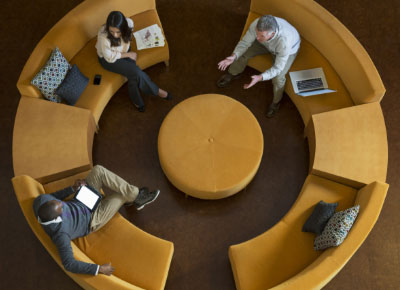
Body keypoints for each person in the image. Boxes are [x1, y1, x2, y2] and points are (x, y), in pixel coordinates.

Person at [33, 165, 160, 276]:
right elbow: (69, 264)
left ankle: (135, 196)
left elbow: (55, 197)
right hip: (93, 218)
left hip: (82, 199)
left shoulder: (41, 201)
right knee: (121, 196)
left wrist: (73, 189)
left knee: (98, 170)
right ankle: (137, 198)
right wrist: (99, 269)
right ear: (57, 218)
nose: (62, 204)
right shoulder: (60, 234)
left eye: (59, 203)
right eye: (61, 207)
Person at [217, 15, 300, 117]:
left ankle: (276, 102)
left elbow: (278, 68)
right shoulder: (257, 26)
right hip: (265, 44)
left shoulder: (284, 42)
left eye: (261, 36)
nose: (257, 38)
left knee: (278, 78)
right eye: (257, 34)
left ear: (272, 34)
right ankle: (234, 72)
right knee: (242, 54)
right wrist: (234, 56)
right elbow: (245, 43)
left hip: (287, 51)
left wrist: (260, 77)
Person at [96, 11, 172, 112]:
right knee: (136, 72)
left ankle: (136, 100)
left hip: (122, 51)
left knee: (133, 75)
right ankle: (157, 91)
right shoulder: (103, 36)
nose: (114, 35)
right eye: (111, 31)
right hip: (109, 59)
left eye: (118, 32)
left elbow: (126, 42)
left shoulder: (129, 24)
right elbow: (109, 57)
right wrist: (129, 54)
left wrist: (127, 51)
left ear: (123, 27)